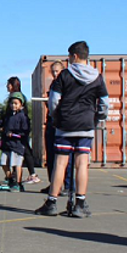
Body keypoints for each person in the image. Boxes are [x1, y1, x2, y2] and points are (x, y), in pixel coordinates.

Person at [35, 41, 109, 217]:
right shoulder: (98, 77)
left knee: (60, 163)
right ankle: (80, 203)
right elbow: (105, 103)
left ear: (74, 56)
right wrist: (97, 118)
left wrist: (56, 118)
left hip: (65, 125)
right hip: (86, 124)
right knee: (82, 163)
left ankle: (52, 202)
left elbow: (53, 101)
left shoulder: (64, 76)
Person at [40, 61, 74, 196]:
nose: (55, 74)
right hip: (51, 122)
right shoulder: (54, 85)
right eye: (53, 71)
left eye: (57, 71)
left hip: (63, 124)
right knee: (51, 156)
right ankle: (54, 184)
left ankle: (68, 185)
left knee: (66, 157)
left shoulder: (67, 84)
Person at [0, 92, 30, 192]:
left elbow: (25, 131)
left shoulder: (23, 117)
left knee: (16, 164)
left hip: (17, 145)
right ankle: (10, 179)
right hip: (6, 144)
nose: (13, 105)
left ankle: (18, 183)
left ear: (21, 105)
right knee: (3, 162)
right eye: (12, 103)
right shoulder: (7, 116)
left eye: (16, 103)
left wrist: (15, 133)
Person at [5, 77, 40, 185]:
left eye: (8, 84)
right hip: (17, 131)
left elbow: (21, 115)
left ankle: (32, 175)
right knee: (22, 152)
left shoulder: (18, 97)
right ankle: (18, 174)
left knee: (25, 152)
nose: (7, 86)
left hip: (19, 131)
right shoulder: (12, 97)